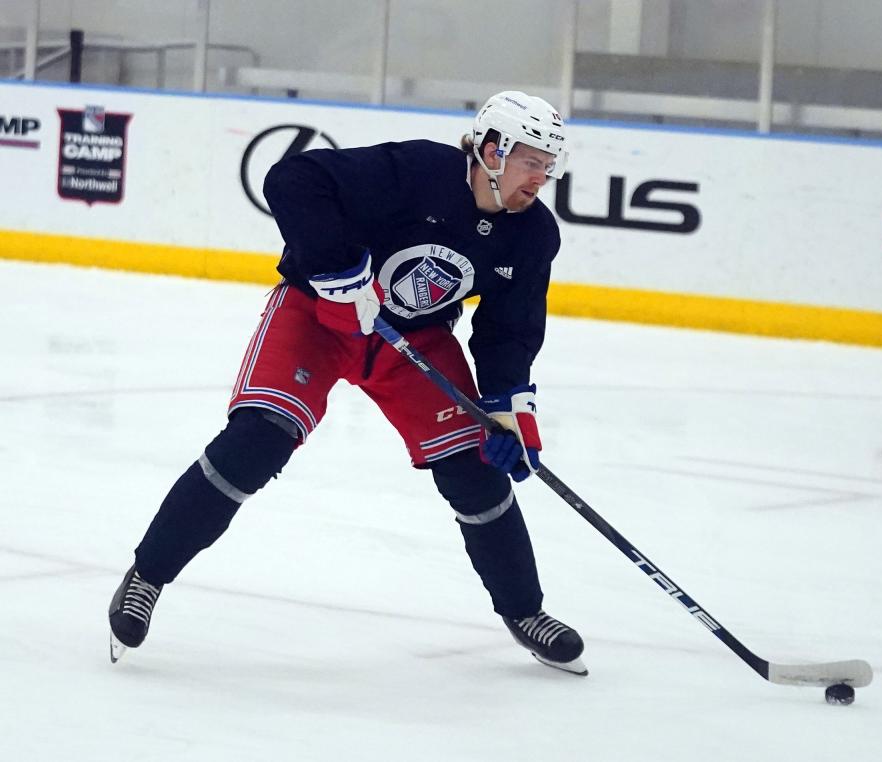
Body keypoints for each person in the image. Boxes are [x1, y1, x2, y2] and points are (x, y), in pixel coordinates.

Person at [108, 91, 586, 675]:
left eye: (549, 164)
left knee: (475, 470)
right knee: (258, 439)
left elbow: (507, 332)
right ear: (492, 149)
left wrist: (509, 410)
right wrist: (338, 269)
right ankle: (148, 576)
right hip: (319, 316)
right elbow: (292, 179)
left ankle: (524, 611)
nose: (543, 176)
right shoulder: (417, 171)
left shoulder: (533, 234)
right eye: (532, 160)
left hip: (413, 343)